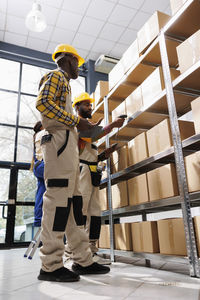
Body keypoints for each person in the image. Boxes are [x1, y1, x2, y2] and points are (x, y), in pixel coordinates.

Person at [35, 44, 110, 282]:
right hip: (58, 143)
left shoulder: (65, 84)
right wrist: (75, 121)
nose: (78, 66)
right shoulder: (56, 76)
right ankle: (50, 265)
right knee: (57, 202)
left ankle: (82, 260)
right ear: (66, 59)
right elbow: (43, 103)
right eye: (76, 62)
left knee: (75, 207)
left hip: (66, 146)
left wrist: (76, 125)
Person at [65, 92, 125, 264]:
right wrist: (112, 125)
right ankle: (72, 250)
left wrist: (103, 155)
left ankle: (91, 251)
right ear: (77, 107)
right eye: (86, 105)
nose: (90, 107)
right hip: (82, 171)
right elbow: (91, 136)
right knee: (80, 211)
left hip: (92, 171)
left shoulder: (87, 128)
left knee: (94, 213)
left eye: (90, 105)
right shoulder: (77, 126)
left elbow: (89, 151)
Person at [32, 121, 45, 229]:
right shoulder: (42, 134)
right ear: (41, 127)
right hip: (42, 165)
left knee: (42, 191)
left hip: (39, 166)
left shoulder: (36, 136)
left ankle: (39, 220)